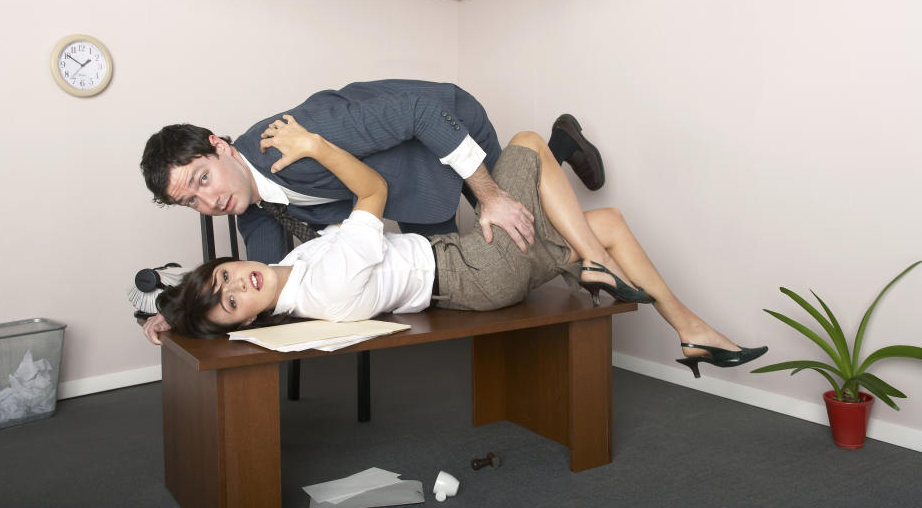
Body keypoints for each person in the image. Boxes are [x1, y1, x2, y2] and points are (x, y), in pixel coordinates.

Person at [151, 115, 767, 378]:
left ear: (228, 260)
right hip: (474, 267)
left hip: (468, 276)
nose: (238, 285)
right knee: (529, 140)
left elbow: (221, 302)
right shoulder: (326, 280)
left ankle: (690, 329)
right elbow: (373, 188)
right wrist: (314, 147)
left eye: (224, 276)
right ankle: (597, 269)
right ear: (248, 321)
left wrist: (170, 316)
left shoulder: (287, 273)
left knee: (602, 220)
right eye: (231, 302)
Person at [140, 79, 604, 341]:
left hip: (443, 127)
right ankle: (559, 153)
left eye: (202, 179)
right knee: (487, 260)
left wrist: (489, 195)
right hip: (405, 189)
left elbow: (420, 112)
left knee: (509, 213)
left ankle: (558, 144)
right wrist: (179, 314)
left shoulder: (295, 135)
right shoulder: (251, 210)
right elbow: (270, 278)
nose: (209, 201)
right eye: (191, 201)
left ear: (219, 146)